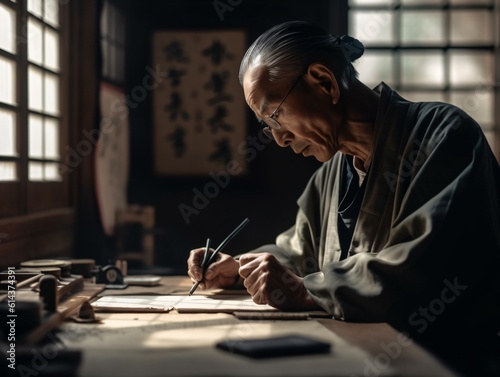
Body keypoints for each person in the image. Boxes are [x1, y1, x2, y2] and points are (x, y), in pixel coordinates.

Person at [187, 21, 500, 376]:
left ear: (323, 81)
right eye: (268, 126)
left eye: (275, 116)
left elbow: (422, 270)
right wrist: (241, 267)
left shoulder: (444, 135)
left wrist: (309, 291)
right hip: (359, 359)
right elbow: (297, 253)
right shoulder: (333, 173)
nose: (280, 140)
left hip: (441, 365)